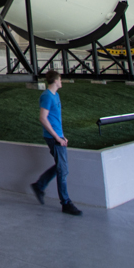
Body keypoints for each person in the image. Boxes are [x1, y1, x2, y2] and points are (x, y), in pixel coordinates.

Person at [32, 70, 82, 216]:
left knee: (61, 166)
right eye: (60, 79)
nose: (61, 82)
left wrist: (62, 136)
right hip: (53, 137)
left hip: (58, 136)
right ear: (55, 81)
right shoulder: (47, 96)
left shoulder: (56, 95)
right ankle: (65, 202)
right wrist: (57, 138)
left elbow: (55, 119)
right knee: (63, 169)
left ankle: (39, 185)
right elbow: (43, 118)